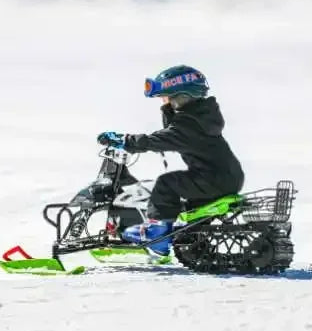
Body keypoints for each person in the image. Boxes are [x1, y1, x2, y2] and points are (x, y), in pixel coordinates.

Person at [97, 65, 245, 254]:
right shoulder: (200, 119)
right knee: (189, 211)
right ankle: (193, 245)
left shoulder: (190, 125)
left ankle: (156, 235)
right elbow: (170, 133)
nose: (164, 103)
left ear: (181, 97)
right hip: (222, 177)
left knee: (167, 184)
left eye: (167, 99)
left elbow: (158, 140)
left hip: (214, 179)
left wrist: (123, 141)